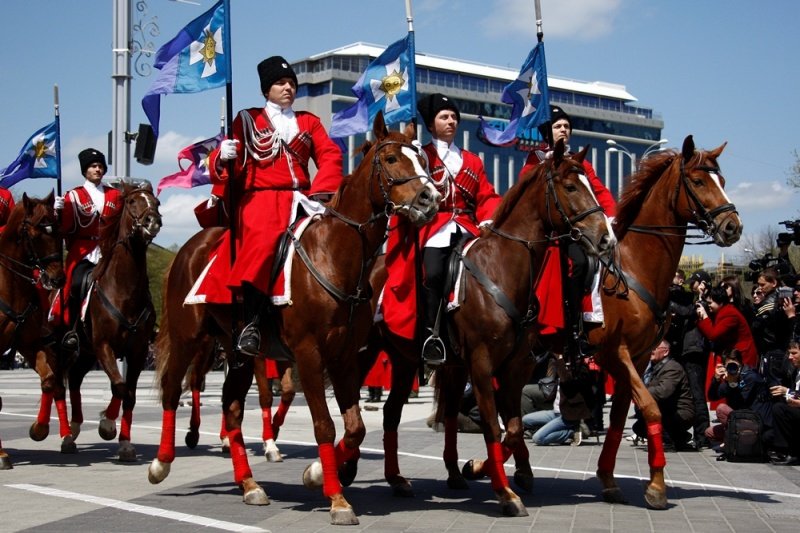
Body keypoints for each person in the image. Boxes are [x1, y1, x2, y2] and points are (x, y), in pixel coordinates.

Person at [204, 56, 343, 356]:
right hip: (261, 199)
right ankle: (252, 323)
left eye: (292, 83)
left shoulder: (309, 122)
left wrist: (321, 192)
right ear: (266, 89)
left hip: (303, 197)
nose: (288, 88)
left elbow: (330, 155)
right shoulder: (246, 119)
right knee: (263, 243)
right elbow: (232, 170)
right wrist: (221, 155)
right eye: (280, 83)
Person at [382, 93, 501, 365]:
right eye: (444, 117)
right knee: (434, 271)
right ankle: (432, 335)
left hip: (468, 227)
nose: (451, 121)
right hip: (435, 225)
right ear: (431, 125)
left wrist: (488, 218)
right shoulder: (422, 155)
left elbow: (487, 195)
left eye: (454, 117)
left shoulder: (473, 160)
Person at [518, 105, 616, 358]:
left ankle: (576, 325)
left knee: (582, 263)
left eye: (567, 126)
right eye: (558, 125)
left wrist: (611, 214)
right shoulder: (535, 160)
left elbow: (598, 191)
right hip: (544, 234)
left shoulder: (578, 163)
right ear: (547, 131)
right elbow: (524, 192)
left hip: (572, 231)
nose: (564, 129)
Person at [53, 148, 122, 351]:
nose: (98, 169)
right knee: (75, 284)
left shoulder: (115, 194)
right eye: (93, 166)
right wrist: (58, 212)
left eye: (100, 166)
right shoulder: (73, 196)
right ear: (85, 170)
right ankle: (71, 329)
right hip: (83, 252)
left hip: (109, 251)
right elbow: (64, 229)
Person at [671, 269, 713, 448]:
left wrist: (670, 304)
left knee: (697, 395)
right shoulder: (695, 299)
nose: (690, 286)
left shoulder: (705, 301)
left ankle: (702, 436)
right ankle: (686, 433)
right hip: (687, 349)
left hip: (695, 350)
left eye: (693, 283)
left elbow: (689, 312)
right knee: (687, 394)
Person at [631, 340, 695, 450]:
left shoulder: (672, 367)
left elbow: (663, 391)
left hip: (679, 412)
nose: (651, 351)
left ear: (665, 352)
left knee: (646, 425)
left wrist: (640, 392)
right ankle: (679, 437)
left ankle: (673, 439)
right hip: (665, 409)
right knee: (639, 427)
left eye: (654, 348)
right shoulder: (655, 367)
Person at [705, 349, 772, 449]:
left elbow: (742, 403)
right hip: (741, 420)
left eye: (735, 365)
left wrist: (733, 383)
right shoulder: (728, 379)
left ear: (741, 363)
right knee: (709, 432)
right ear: (724, 367)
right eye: (729, 366)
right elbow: (712, 397)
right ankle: (736, 439)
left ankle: (735, 441)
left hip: (757, 421)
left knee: (721, 409)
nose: (733, 369)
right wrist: (716, 379)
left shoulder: (751, 377)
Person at [696, 285, 758, 368]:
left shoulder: (730, 314)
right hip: (733, 354)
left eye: (710, 303)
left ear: (721, 302)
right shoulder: (723, 311)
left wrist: (704, 316)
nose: (708, 306)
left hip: (743, 355)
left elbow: (713, 334)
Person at [751, 267, 792, 386]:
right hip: (776, 352)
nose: (760, 288)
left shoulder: (770, 304)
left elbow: (755, 326)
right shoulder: (782, 296)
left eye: (763, 285)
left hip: (773, 352)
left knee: (773, 389)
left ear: (773, 283)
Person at [768, 341, 800, 464]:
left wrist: (787, 391)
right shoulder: (795, 372)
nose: (790, 357)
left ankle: (788, 452)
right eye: (789, 354)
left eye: (794, 353)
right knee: (767, 437)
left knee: (779, 409)